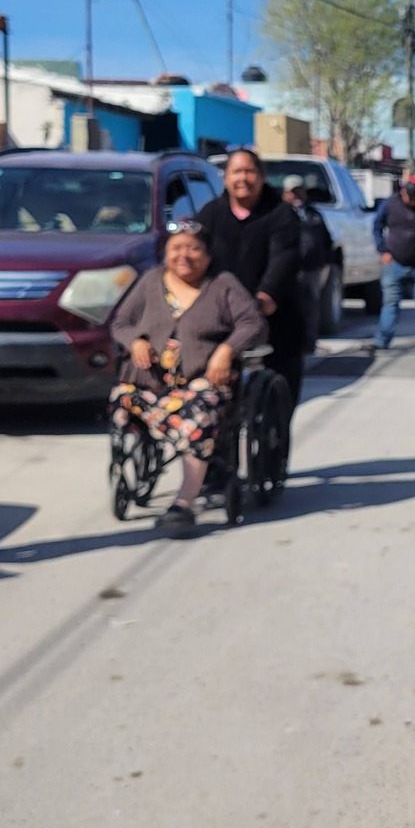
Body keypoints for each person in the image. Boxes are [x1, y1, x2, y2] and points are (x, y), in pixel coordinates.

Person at [108, 221, 267, 539]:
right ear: (165, 253)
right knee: (121, 397)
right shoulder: (151, 281)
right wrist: (135, 342)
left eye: (194, 248)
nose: (185, 255)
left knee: (200, 412)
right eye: (176, 248)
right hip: (150, 384)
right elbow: (120, 322)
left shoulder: (223, 284)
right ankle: (177, 447)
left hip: (201, 384)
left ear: (208, 256)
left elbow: (252, 321)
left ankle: (184, 502)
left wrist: (225, 350)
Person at [195, 149, 304, 409]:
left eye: (249, 171)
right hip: (222, 320)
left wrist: (266, 296)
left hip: (275, 319)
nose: (242, 178)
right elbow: (194, 255)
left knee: (277, 405)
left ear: (261, 176)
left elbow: (284, 259)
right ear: (225, 178)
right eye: (236, 172)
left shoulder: (281, 214)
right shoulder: (211, 214)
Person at [372, 174, 415, 351]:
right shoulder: (390, 204)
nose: (412, 202)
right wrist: (383, 250)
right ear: (403, 192)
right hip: (394, 262)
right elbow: (377, 227)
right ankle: (382, 340)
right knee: (390, 302)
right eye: (409, 198)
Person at [279, 173, 335, 349]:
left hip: (312, 269)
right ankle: (289, 344)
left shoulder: (314, 214)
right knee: (288, 308)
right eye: (292, 192)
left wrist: (326, 259)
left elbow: (326, 239)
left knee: (310, 307)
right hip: (288, 270)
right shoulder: (278, 215)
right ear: (285, 194)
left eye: (299, 191)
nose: (296, 195)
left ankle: (309, 343)